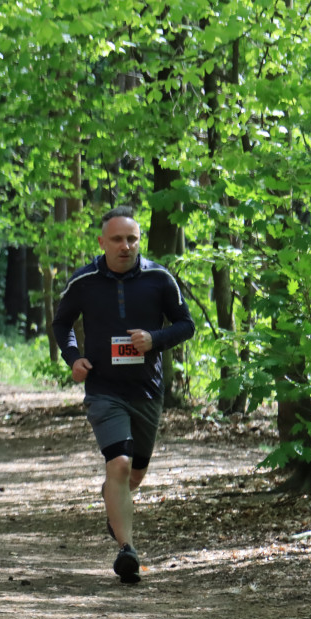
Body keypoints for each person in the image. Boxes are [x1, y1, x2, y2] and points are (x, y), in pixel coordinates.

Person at [51, 206, 195, 583]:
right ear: (102, 242)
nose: (125, 246)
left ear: (139, 241)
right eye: (117, 239)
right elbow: (62, 322)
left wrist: (155, 340)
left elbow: (186, 324)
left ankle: (112, 499)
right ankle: (127, 551)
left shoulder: (160, 279)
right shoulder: (83, 282)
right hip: (104, 388)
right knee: (119, 464)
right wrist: (73, 357)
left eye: (132, 239)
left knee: (135, 474)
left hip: (147, 390)